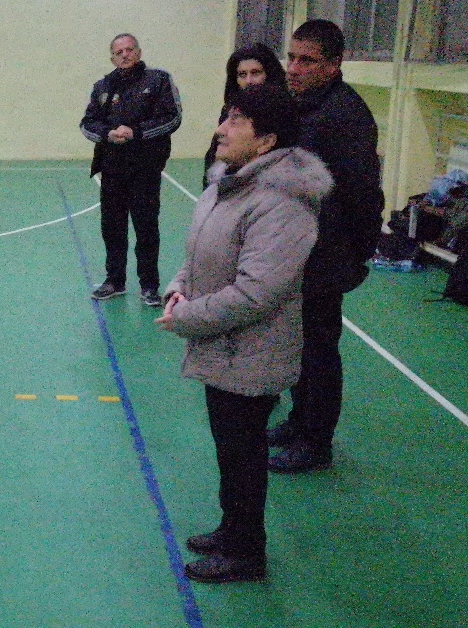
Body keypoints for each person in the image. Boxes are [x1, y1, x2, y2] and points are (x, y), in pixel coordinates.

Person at [157, 84, 332, 583]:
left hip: (251, 350)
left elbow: (259, 292)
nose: (221, 129)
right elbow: (201, 254)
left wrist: (187, 316)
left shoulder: (282, 204)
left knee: (242, 454)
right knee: (230, 448)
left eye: (236, 121)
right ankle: (232, 530)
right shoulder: (229, 184)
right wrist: (179, 288)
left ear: (266, 140)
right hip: (223, 344)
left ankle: (245, 552)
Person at [267, 19, 384, 474]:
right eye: (291, 57)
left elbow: (362, 193)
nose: (293, 68)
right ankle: (299, 421)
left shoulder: (345, 116)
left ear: (334, 65)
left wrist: (355, 254)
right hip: (296, 251)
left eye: (307, 61)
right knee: (298, 345)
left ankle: (316, 444)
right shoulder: (303, 105)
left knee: (318, 352)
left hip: (325, 255)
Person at [81, 33, 182, 307]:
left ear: (138, 52)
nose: (125, 55)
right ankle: (114, 281)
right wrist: (108, 133)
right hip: (112, 169)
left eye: (129, 49)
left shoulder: (158, 80)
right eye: (119, 52)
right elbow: (87, 123)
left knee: (146, 227)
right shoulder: (102, 86)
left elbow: (172, 118)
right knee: (112, 228)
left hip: (145, 169)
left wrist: (135, 132)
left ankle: (149, 285)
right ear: (112, 58)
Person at [202, 44, 286, 189]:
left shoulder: (284, 113)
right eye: (242, 75)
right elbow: (213, 156)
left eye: (256, 73)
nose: (249, 81)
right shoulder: (228, 111)